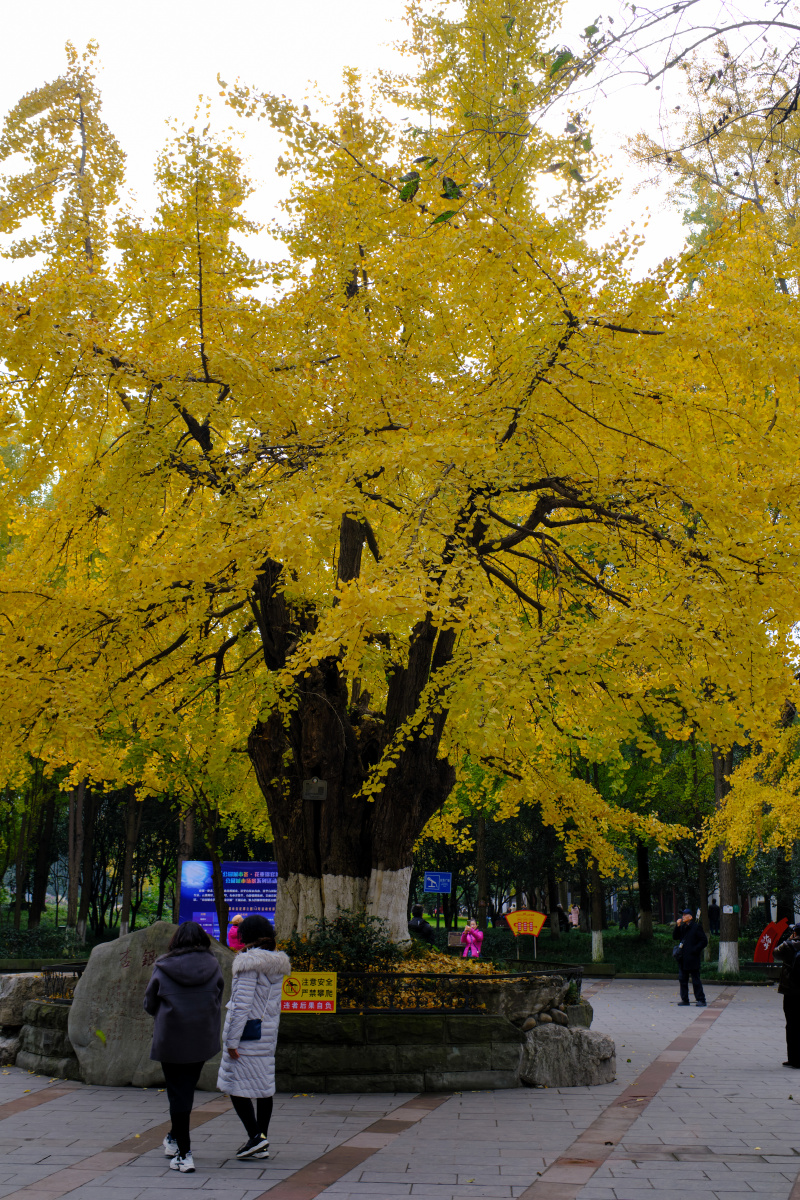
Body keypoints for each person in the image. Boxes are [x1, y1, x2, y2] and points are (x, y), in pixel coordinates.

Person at [143, 920, 224, 1173]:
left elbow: (149, 1003)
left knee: (177, 1094)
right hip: (201, 1039)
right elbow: (217, 999)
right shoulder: (214, 966)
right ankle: (173, 1137)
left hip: (172, 1039)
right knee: (185, 1091)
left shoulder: (163, 967)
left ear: (176, 940)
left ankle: (184, 1153)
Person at [217, 913, 291, 1160]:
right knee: (263, 1087)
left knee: (235, 1085)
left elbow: (241, 1005)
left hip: (247, 1035)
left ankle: (256, 1137)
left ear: (246, 936)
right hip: (267, 1034)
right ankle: (261, 1142)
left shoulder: (248, 963)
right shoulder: (276, 964)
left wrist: (231, 1041)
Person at [775, 924, 800, 1067]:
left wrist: (789, 939)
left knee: (791, 1024)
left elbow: (775, 953)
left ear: (794, 932)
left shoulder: (788, 946)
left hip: (790, 991)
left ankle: (794, 1058)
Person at [673, 907, 708, 1007]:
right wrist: (677, 926)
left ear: (691, 917)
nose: (683, 917)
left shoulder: (696, 927)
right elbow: (675, 937)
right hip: (683, 958)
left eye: (685, 915)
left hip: (692, 958)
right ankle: (685, 999)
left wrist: (695, 950)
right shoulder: (683, 927)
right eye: (682, 915)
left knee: (695, 980)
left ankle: (701, 999)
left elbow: (704, 941)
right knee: (682, 979)